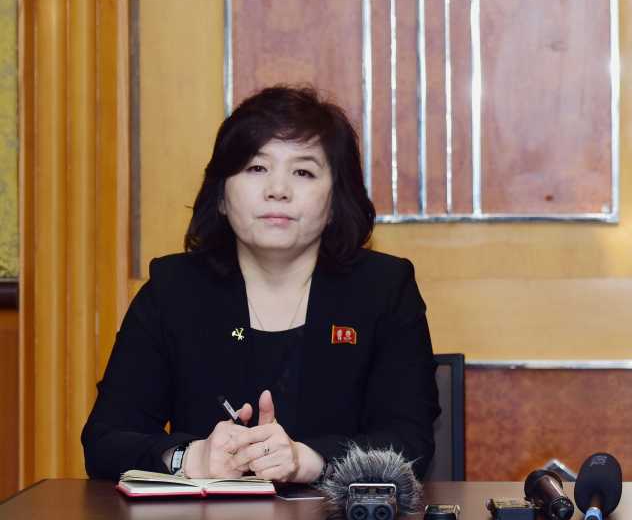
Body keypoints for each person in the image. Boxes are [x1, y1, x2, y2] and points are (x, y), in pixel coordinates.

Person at [82, 86, 440, 483]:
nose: (278, 190)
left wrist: (308, 460)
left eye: (303, 172)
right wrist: (188, 458)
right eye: (256, 168)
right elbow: (105, 440)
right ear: (220, 195)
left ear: (336, 202)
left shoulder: (383, 289)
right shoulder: (175, 290)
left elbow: (411, 442)